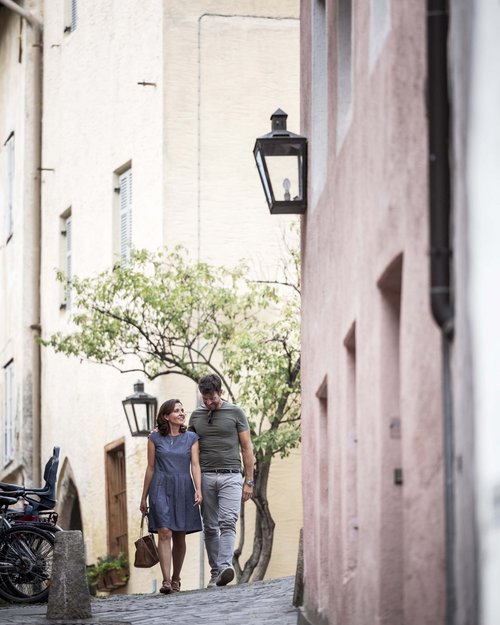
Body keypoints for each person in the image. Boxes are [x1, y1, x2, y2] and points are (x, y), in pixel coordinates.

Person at [188, 373, 254, 588]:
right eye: (204, 399)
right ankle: (216, 573)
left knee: (228, 522)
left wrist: (249, 481)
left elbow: (247, 447)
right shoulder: (196, 416)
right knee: (209, 527)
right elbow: (185, 445)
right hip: (206, 476)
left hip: (232, 475)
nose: (208, 403)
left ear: (220, 392)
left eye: (212, 398)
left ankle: (225, 566)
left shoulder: (236, 412)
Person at [140, 398, 202, 594]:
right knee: (165, 532)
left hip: (183, 487)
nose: (182, 413)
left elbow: (195, 465)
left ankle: (176, 578)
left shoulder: (191, 437)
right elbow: (150, 467)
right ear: (166, 416)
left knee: (179, 534)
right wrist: (143, 497)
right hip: (160, 487)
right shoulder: (154, 438)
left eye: (183, 410)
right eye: (177, 411)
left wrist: (198, 489)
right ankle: (166, 581)